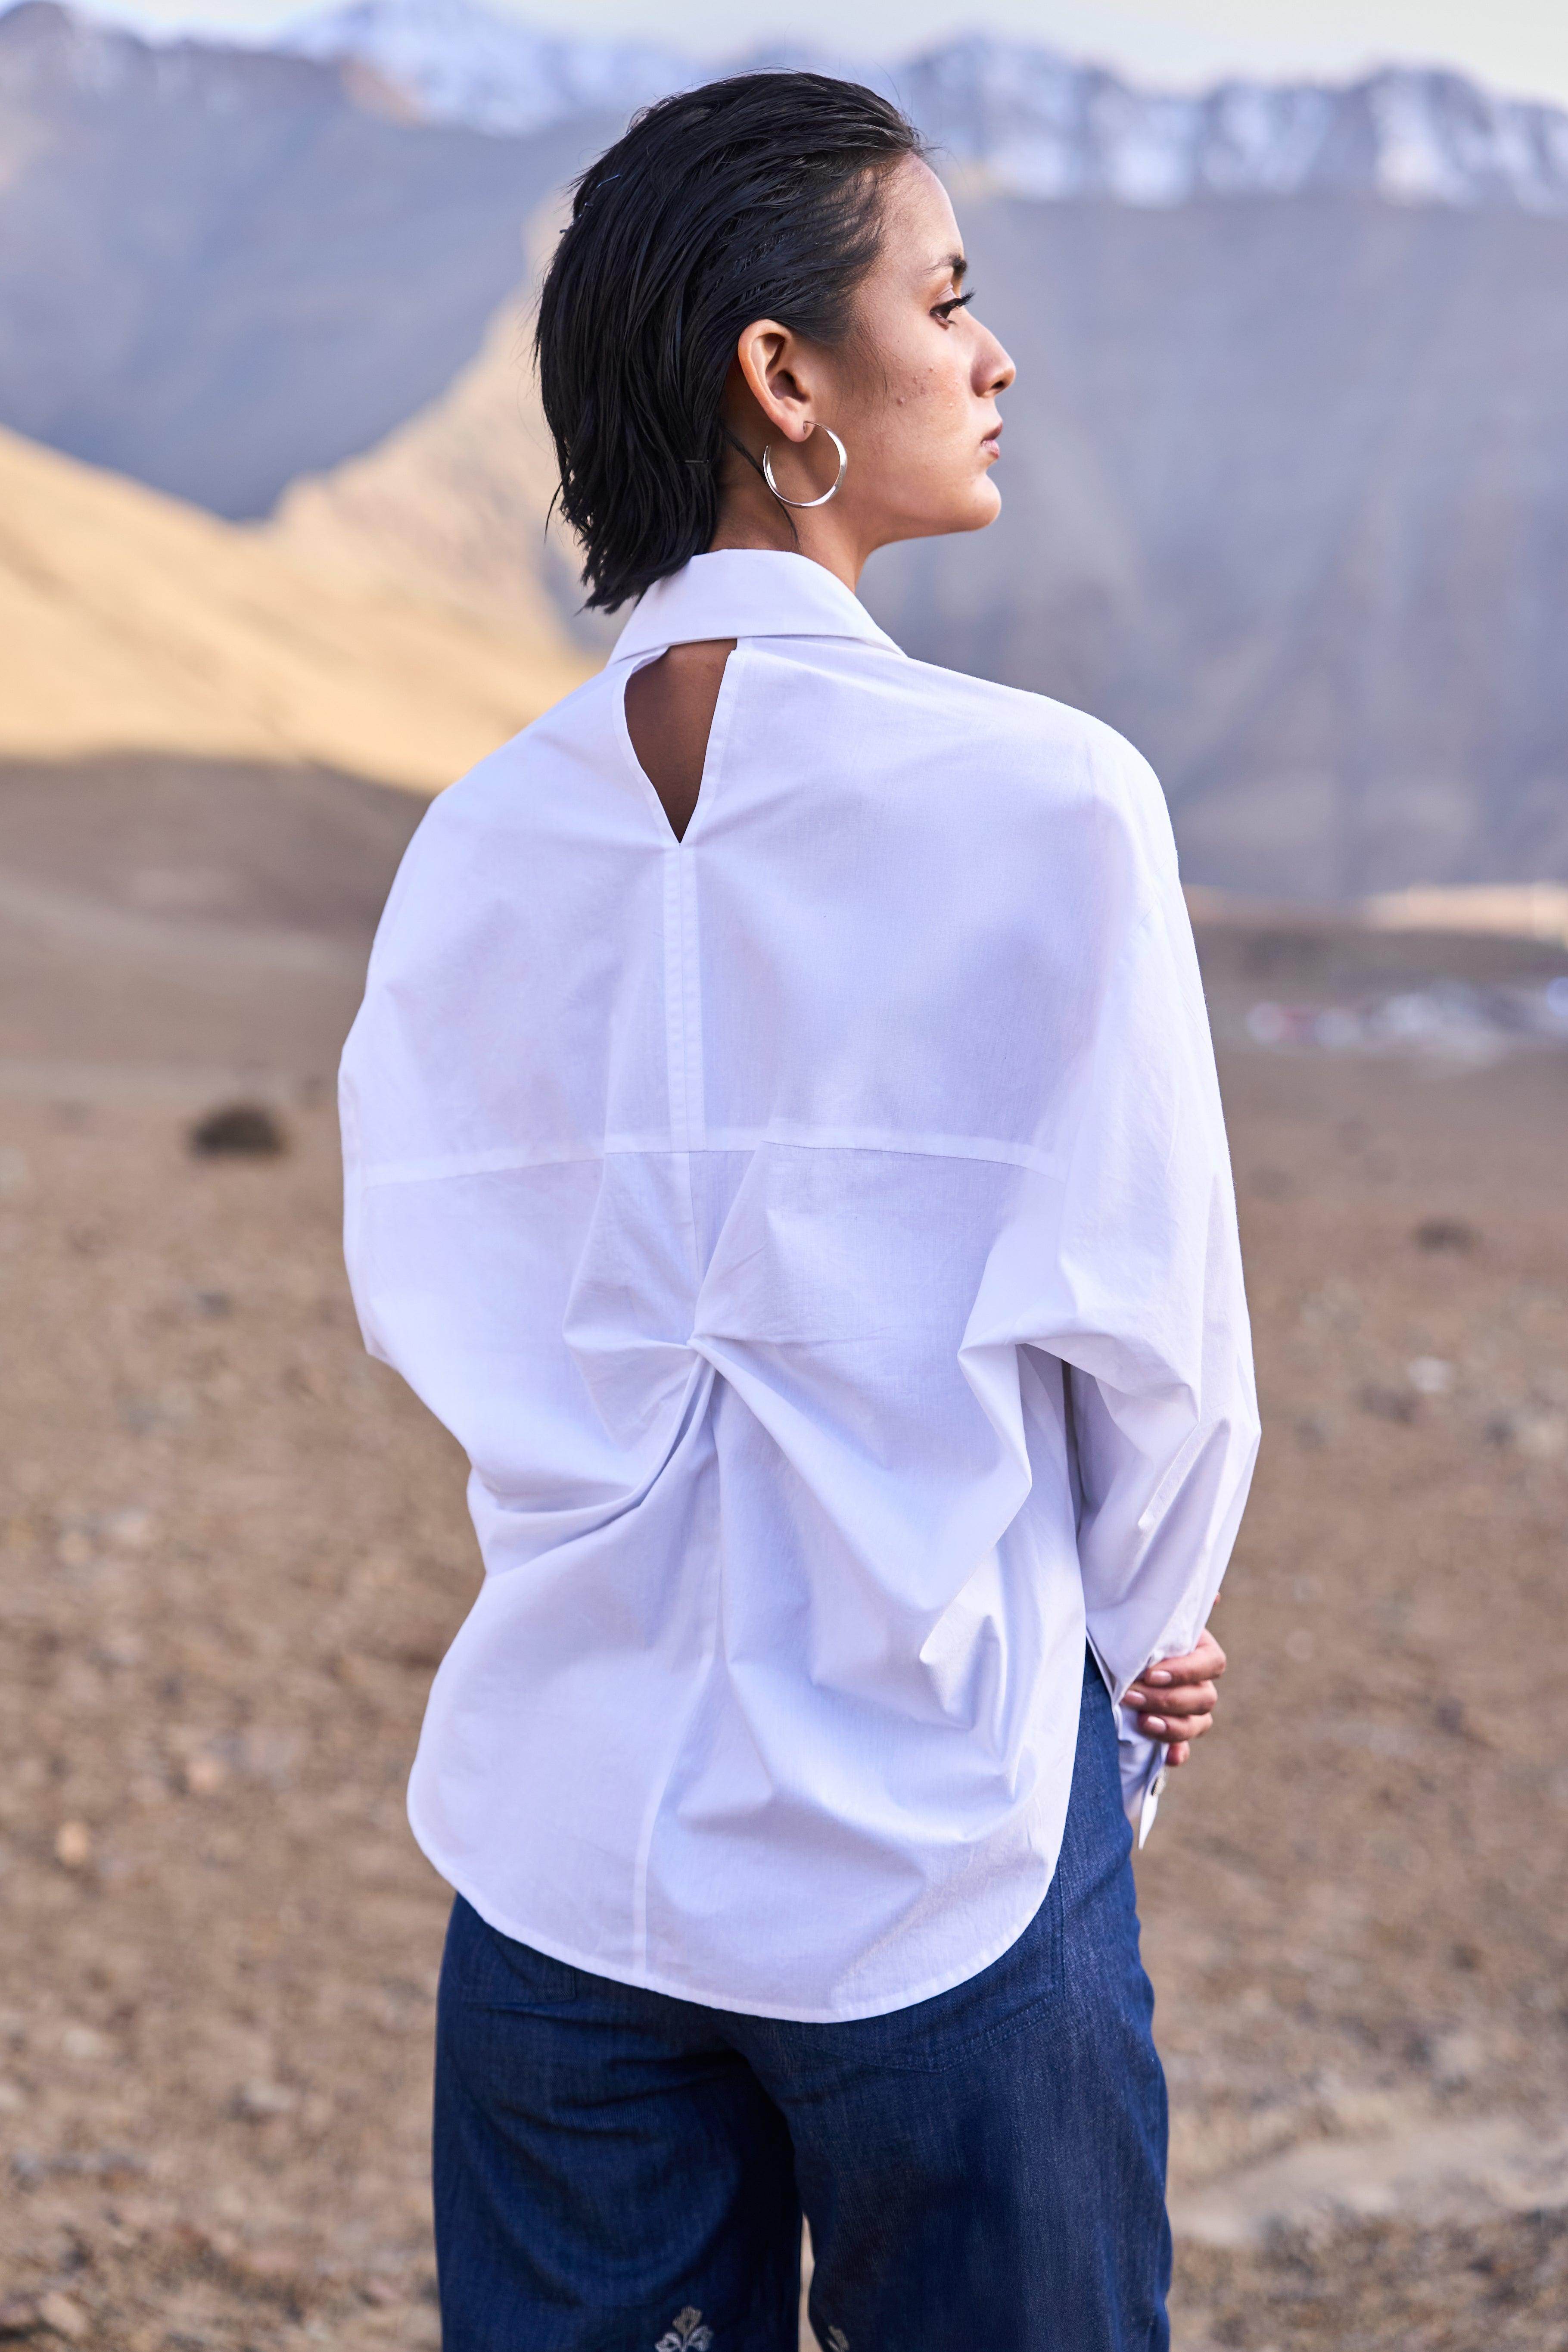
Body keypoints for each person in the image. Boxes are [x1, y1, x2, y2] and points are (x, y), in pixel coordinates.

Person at [339, 69, 1260, 2352]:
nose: (993, 355)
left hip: (562, 1845)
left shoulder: (471, 843)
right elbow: (1160, 1357)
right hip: (941, 1832)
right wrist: (1127, 1657)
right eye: (943, 300)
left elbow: (436, 1304)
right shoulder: (1051, 801)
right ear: (784, 375)